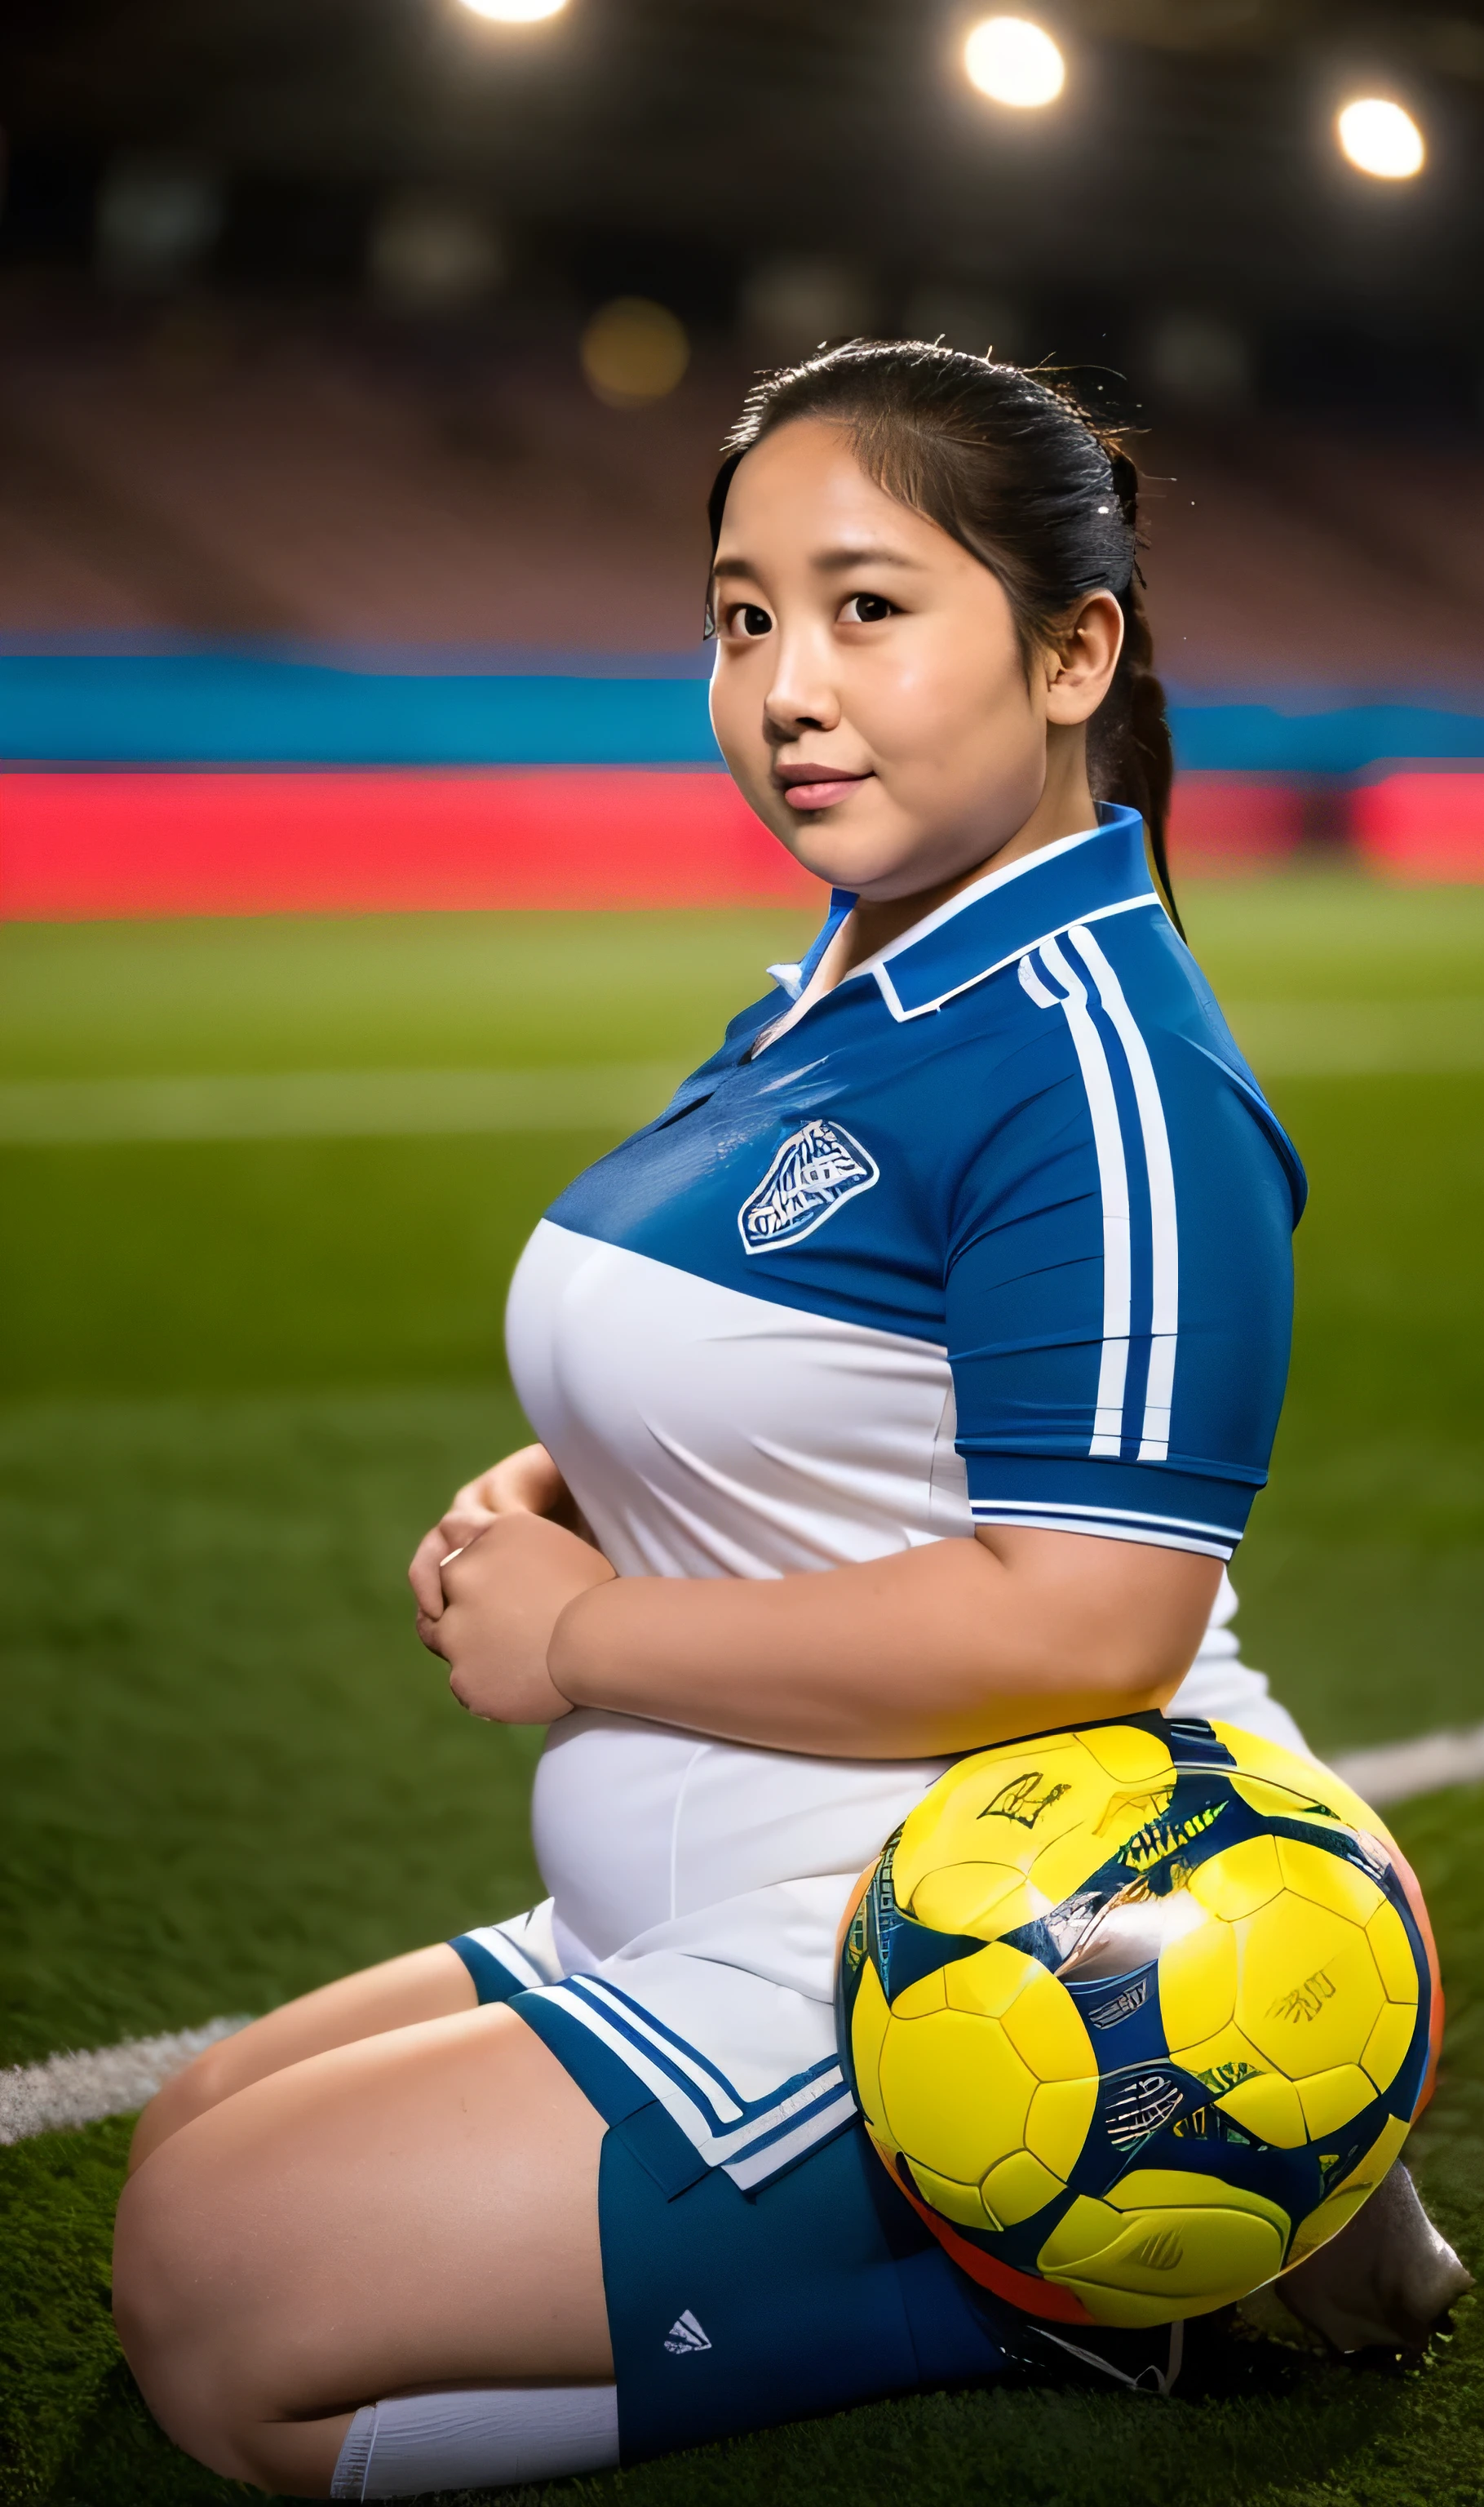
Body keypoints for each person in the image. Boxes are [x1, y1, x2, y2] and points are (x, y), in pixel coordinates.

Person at [113, 341, 1387, 2501]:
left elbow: (1092, 1626)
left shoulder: (1102, 1067)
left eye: (868, 606)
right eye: (740, 615)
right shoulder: (839, 982)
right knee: (187, 2138)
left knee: (219, 2304)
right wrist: (564, 1475)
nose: (785, 685)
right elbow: (803, 1378)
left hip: (943, 1940)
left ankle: (1067, 2292)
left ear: (1072, 652)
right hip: (675, 1880)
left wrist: (574, 1643)